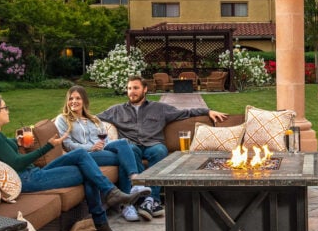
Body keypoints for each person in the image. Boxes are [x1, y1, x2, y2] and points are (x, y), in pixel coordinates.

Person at [0, 95, 143, 231]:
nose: (8, 110)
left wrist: (18, 141)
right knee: (87, 171)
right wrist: (47, 147)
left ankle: (110, 197)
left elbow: (8, 149)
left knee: (81, 156)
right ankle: (104, 218)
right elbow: (18, 163)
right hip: (29, 179)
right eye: (5, 108)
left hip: (33, 173)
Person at [97, 75, 228, 220]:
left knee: (159, 151)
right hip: (132, 145)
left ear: (145, 89)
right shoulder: (116, 110)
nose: (132, 91)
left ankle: (151, 200)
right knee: (129, 151)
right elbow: (93, 118)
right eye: (129, 88)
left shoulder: (159, 108)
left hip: (153, 144)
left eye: (135, 88)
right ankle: (129, 203)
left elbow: (185, 112)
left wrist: (207, 111)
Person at [54, 85, 151, 223]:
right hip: (86, 155)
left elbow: (105, 139)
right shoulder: (63, 119)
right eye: (71, 98)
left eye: (78, 98)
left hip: (103, 151)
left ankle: (128, 196)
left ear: (84, 101)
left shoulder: (94, 119)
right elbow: (68, 144)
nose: (73, 101)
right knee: (123, 157)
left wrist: (105, 145)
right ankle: (128, 197)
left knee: (123, 144)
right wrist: (91, 147)